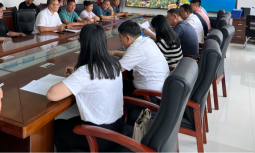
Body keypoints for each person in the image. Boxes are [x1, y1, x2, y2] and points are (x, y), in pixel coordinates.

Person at [47, 24, 123, 153]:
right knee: (67, 123)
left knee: (55, 127)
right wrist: (76, 72)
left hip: (97, 137)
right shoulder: (114, 64)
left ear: (83, 44)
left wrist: (77, 74)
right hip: (117, 128)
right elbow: (96, 77)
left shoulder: (86, 72)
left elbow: (51, 95)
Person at [109, 20, 169, 105]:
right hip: (159, 89)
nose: (120, 40)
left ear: (127, 38)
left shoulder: (137, 48)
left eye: (120, 37)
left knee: (111, 92)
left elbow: (114, 70)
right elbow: (134, 55)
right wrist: (115, 52)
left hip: (150, 96)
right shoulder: (146, 41)